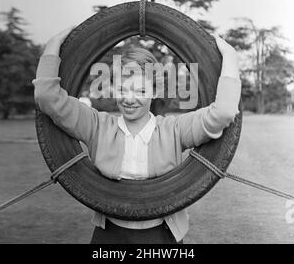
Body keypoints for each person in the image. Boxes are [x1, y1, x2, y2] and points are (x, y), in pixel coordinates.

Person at [32, 28, 241, 244]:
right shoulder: (97, 126)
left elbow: (223, 112)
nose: (130, 99)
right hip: (110, 235)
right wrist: (54, 44)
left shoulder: (174, 130)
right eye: (123, 89)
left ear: (154, 90)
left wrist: (230, 56)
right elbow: (47, 97)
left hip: (161, 235)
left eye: (141, 91)